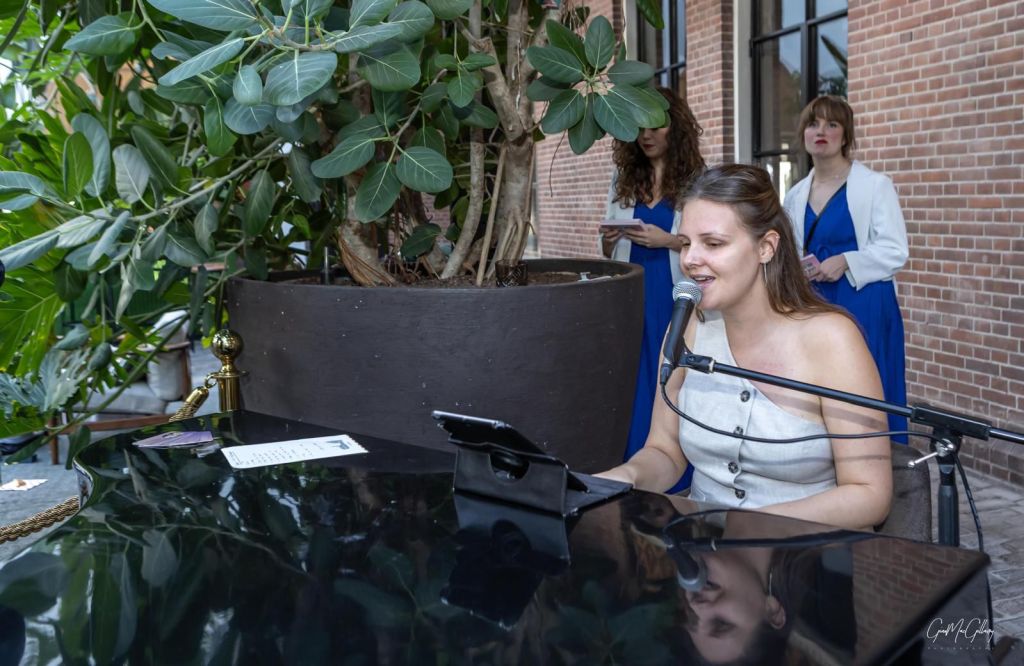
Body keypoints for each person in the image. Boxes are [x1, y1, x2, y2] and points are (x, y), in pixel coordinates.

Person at [598, 164, 892, 531]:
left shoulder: (833, 339)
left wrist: (746, 526)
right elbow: (664, 452)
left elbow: (869, 493)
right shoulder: (687, 326)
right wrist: (622, 478)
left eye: (713, 243)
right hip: (702, 560)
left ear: (766, 247)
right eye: (686, 242)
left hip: (805, 561)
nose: (689, 259)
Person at [784, 95, 909, 443]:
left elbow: (896, 250)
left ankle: (882, 471)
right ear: (804, 134)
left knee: (869, 389)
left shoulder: (875, 185)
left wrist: (847, 260)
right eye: (813, 123)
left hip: (865, 301)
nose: (821, 131)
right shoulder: (794, 195)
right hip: (815, 301)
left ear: (846, 134)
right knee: (821, 389)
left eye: (832, 124)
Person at [600, 87, 706, 491]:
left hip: (673, 290)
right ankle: (638, 468)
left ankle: (682, 475)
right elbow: (608, 228)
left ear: (674, 128)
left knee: (673, 376)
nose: (646, 134)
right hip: (633, 290)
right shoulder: (623, 177)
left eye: (656, 125)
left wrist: (669, 240)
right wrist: (608, 241)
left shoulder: (698, 180)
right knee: (636, 377)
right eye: (639, 126)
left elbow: (709, 241)